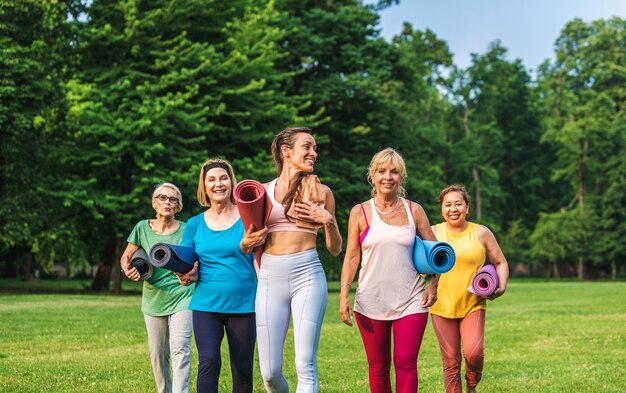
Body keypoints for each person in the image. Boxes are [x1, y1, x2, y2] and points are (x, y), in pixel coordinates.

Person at [241, 127, 342, 393]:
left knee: (304, 364)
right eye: (307, 147)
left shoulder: (323, 192)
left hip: (307, 274)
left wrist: (328, 222)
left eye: (315, 148)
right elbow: (245, 241)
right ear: (286, 152)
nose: (314, 153)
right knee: (270, 373)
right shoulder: (262, 192)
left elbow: (334, 249)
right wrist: (246, 243)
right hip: (269, 278)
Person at [339, 147, 439, 393]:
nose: (388, 177)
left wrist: (434, 284)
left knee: (406, 362)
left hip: (411, 299)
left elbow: (437, 253)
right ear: (372, 176)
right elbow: (352, 256)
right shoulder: (359, 212)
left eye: (394, 172)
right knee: (378, 366)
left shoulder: (414, 210)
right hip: (370, 300)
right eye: (382, 171)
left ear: (401, 177)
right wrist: (343, 295)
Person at [176, 158, 266, 393]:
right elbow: (187, 266)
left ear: (231, 182)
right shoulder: (194, 224)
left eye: (223, 178)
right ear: (204, 186)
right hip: (206, 305)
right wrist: (184, 275)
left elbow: (259, 260)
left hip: (244, 305)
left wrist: (266, 293)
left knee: (242, 369)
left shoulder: (248, 218)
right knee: (209, 361)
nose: (218, 184)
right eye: (212, 179)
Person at [429, 184, 509, 393]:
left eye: (458, 204)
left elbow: (500, 262)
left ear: (467, 208)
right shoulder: (433, 232)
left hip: (473, 303)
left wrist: (501, 287)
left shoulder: (481, 232)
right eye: (448, 205)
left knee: (474, 353)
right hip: (440, 306)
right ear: (442, 209)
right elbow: (420, 266)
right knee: (450, 361)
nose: (453, 209)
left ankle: (471, 384)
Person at [120, 182, 194, 393]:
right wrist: (128, 269)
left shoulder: (186, 229)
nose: (167, 202)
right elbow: (126, 256)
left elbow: (196, 260)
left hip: (183, 295)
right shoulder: (142, 227)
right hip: (153, 298)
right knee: (158, 355)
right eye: (162, 197)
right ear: (154, 202)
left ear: (178, 206)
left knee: (180, 349)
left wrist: (190, 274)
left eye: (173, 199)